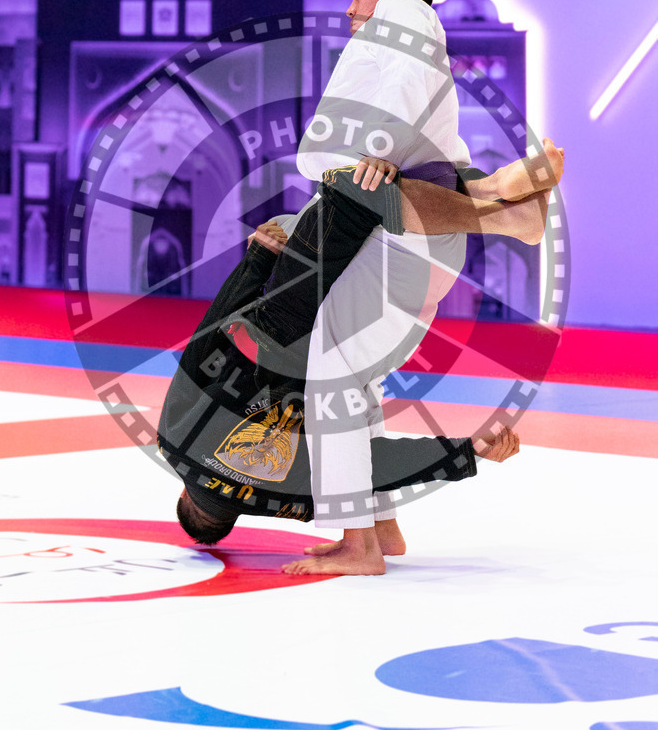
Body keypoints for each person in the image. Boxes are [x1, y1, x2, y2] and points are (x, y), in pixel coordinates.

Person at [279, 0, 564, 575]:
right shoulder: (406, 35)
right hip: (416, 231)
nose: (350, 5)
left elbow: (396, 89)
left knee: (333, 375)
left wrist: (373, 150)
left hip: (405, 231)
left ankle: (360, 544)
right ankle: (380, 523)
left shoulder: (403, 16)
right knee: (360, 377)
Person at [160, 161, 550, 555]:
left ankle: (386, 528)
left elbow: (373, 464)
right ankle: (493, 201)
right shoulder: (175, 445)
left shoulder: (293, 501)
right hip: (280, 330)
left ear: (233, 517)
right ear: (184, 494)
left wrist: (464, 452)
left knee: (359, 399)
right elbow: (203, 345)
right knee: (347, 192)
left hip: (359, 354)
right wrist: (255, 262)